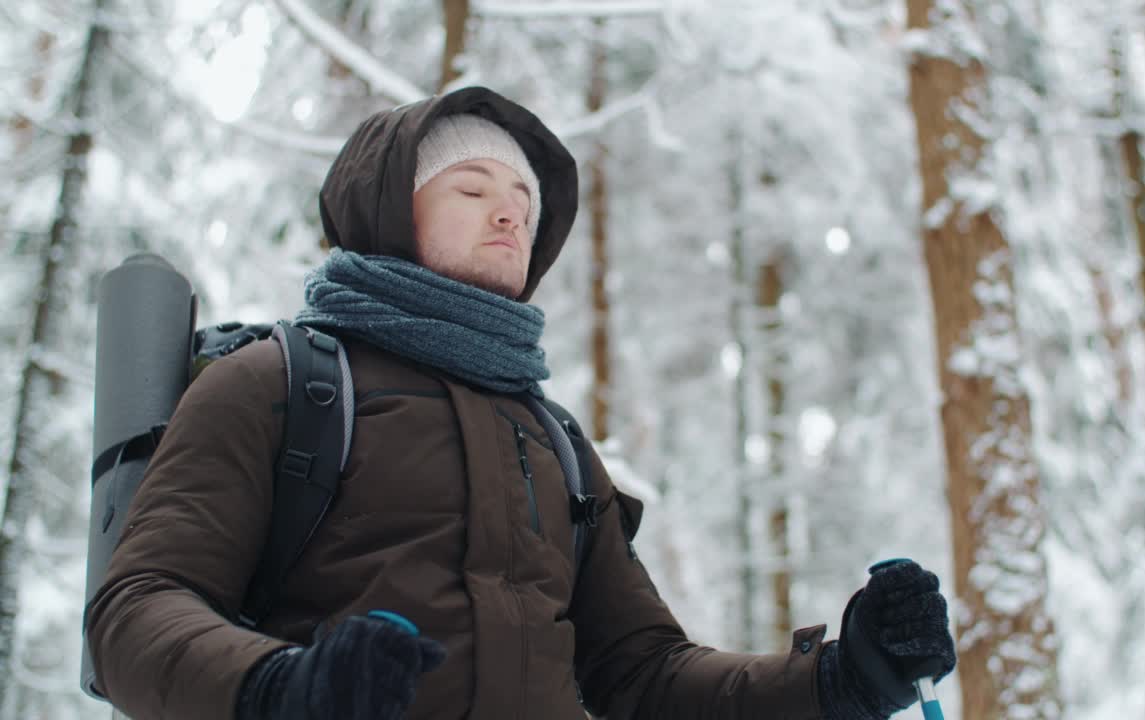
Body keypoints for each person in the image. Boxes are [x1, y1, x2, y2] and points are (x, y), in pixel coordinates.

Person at [84, 86, 955, 720]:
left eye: (524, 204)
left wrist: (842, 682)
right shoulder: (281, 382)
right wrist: (280, 689)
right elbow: (137, 608)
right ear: (389, 209)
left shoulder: (552, 440)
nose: (509, 217)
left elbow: (641, 676)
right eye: (472, 190)